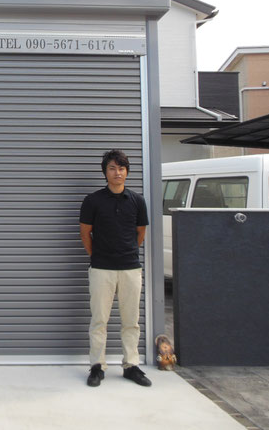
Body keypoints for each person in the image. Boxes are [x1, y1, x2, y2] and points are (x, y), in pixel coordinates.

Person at [79, 149, 151, 387]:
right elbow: (85, 233)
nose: (117, 172)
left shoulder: (137, 201)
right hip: (101, 269)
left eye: (121, 168)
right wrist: (98, 255)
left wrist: (127, 252)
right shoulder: (92, 201)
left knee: (131, 320)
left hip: (131, 268)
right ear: (105, 172)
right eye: (112, 168)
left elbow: (140, 233)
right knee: (99, 320)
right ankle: (97, 366)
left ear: (127, 172)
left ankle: (131, 366)